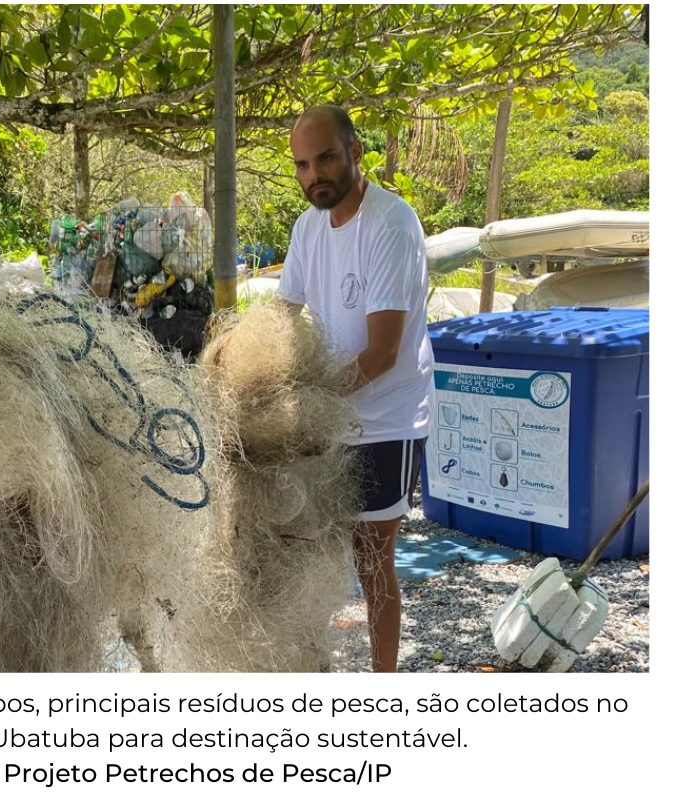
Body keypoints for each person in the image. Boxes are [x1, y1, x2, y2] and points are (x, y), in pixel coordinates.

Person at [276, 105, 434, 673]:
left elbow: (383, 353)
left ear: (355, 152)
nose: (313, 175)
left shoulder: (391, 224)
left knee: (371, 557)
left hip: (387, 418)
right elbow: (282, 314)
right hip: (330, 414)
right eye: (301, 164)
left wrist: (305, 404)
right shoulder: (306, 227)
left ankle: (382, 685)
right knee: (308, 544)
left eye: (324, 158)